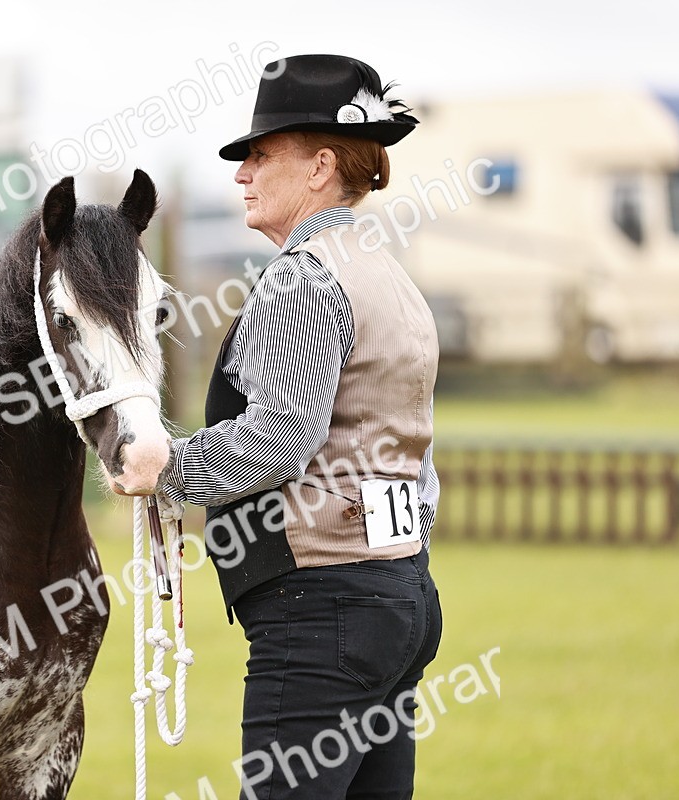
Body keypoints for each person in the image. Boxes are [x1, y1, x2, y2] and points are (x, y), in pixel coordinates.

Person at [157, 54, 443, 799]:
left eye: (259, 154)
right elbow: (420, 463)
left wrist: (166, 467)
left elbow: (283, 436)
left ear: (319, 166)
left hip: (322, 611)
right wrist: (392, 573)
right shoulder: (391, 274)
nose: (241, 173)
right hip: (400, 596)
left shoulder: (301, 274)